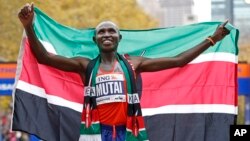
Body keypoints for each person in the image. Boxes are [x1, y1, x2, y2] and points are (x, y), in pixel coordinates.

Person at [18, 3, 230, 141]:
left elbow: (179, 60)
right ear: (95, 39)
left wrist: (213, 39)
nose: (107, 34)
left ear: (120, 38)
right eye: (102, 31)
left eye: (112, 31)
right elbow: (44, 57)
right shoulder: (86, 66)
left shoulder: (134, 64)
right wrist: (29, 26)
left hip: (129, 132)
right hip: (96, 134)